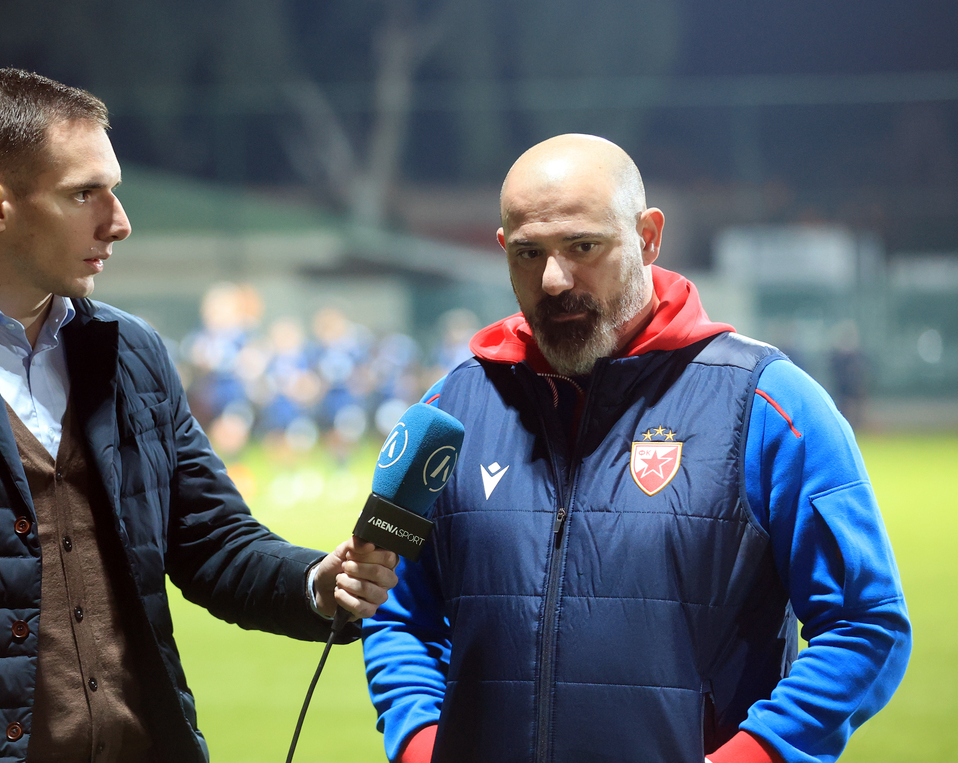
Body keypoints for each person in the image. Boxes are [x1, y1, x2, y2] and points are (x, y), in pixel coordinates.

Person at [0, 68, 397, 762]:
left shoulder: (133, 353)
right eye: (83, 193)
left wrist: (316, 582)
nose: (118, 221)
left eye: (114, 190)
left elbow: (212, 541)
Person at [362, 135, 911, 763]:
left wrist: (751, 757)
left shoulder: (769, 404)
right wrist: (420, 745)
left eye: (583, 246)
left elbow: (865, 624)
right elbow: (394, 611)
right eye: (528, 253)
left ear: (648, 237)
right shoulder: (450, 411)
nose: (554, 279)